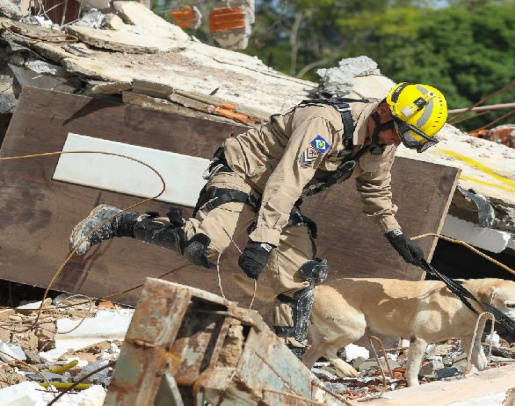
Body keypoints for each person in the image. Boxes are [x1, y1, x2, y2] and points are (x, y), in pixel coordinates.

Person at [69, 82, 448, 343]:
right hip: (244, 177)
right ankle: (117, 220)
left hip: (278, 195)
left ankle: (289, 359)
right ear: (384, 111)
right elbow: (287, 180)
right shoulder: (326, 124)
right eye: (401, 132)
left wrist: (397, 235)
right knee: (203, 247)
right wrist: (263, 242)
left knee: (299, 277)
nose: (400, 141)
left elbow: (375, 189)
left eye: (411, 139)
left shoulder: (383, 140)